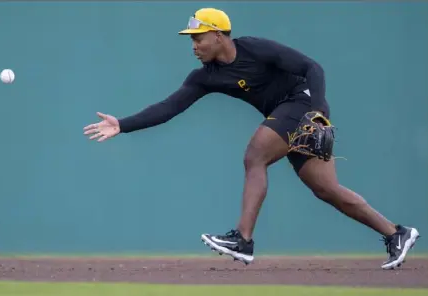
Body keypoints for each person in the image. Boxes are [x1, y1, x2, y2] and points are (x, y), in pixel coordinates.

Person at [83, 8, 420, 269]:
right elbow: (168, 107)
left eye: (198, 37)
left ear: (218, 35)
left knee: (255, 155)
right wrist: (122, 124)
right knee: (327, 189)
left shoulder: (255, 49)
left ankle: (242, 240)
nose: (194, 45)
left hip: (302, 105)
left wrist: (317, 113)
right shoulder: (205, 78)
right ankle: (396, 233)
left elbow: (312, 68)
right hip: (285, 117)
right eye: (191, 39)